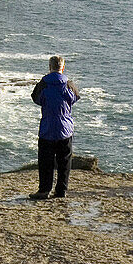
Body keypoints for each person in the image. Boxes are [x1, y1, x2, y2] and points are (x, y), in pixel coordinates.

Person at [29, 55, 80, 199]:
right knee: (64, 161)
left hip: (48, 128)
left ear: (50, 67)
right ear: (62, 68)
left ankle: (44, 190)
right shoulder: (69, 84)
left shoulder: (43, 84)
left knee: (46, 161)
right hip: (65, 128)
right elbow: (75, 98)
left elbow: (36, 99)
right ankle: (61, 190)